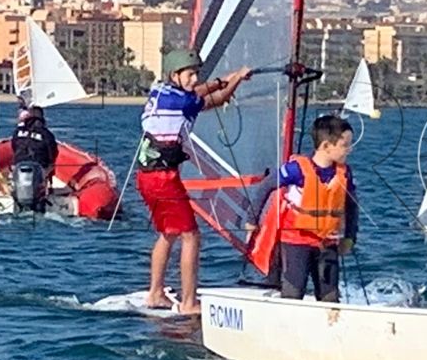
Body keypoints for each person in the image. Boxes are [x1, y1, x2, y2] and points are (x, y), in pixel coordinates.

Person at [137, 47, 252, 315]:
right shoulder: (184, 103)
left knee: (169, 233)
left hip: (146, 177)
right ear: (174, 75)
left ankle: (155, 293)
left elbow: (199, 91)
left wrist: (219, 80)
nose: (194, 79)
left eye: (196, 74)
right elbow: (218, 100)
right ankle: (189, 303)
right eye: (190, 74)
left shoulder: (160, 91)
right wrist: (236, 79)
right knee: (192, 236)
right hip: (164, 179)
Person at [261, 113, 359, 303]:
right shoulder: (296, 170)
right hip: (296, 242)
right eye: (345, 145)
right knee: (293, 294)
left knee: (330, 297)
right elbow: (266, 186)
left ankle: (330, 328)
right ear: (326, 146)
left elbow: (352, 207)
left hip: (327, 243)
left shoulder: (345, 173)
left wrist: (350, 237)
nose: (350, 150)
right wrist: (250, 220)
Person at [9, 103, 59, 210]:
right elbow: (53, 154)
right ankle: (46, 192)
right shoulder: (47, 135)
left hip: (18, 164)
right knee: (49, 167)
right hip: (38, 166)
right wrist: (50, 167)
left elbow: (14, 148)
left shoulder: (17, 132)